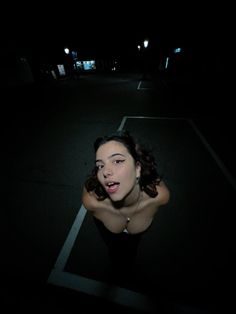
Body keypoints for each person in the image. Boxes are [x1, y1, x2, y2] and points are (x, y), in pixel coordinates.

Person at [82, 130, 170, 272]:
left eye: (118, 161)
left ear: (137, 168)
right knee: (113, 249)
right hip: (108, 233)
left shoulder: (160, 196)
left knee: (131, 249)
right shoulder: (92, 202)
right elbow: (89, 185)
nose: (105, 172)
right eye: (100, 165)